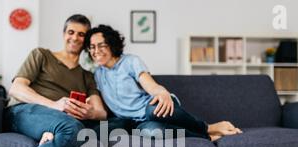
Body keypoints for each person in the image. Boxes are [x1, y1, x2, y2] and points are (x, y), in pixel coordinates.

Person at [0, 14, 109, 147]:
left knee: (76, 129)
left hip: (59, 122)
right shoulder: (41, 55)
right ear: (63, 34)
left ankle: (47, 140)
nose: (75, 38)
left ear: (86, 40)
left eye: (81, 34)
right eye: (71, 32)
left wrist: (89, 111)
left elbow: (101, 112)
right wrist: (54, 104)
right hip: (24, 112)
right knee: (70, 128)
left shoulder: (87, 76)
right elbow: (17, 89)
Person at [83, 24, 242, 140]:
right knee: (151, 133)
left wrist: (161, 91)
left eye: (101, 45)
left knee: (152, 111)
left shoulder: (130, 61)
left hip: (152, 108)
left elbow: (149, 84)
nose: (96, 51)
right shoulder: (97, 74)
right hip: (133, 123)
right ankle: (206, 136)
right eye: (92, 47)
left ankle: (208, 127)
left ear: (112, 44)